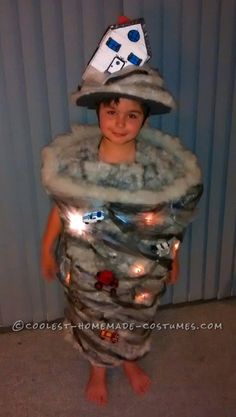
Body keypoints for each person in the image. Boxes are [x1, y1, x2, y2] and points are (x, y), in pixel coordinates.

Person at [41, 18, 203, 406]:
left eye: (132, 114)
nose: (120, 122)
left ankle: (129, 359)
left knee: (136, 318)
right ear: (98, 112)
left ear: (144, 119)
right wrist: (47, 248)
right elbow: (61, 211)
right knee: (95, 318)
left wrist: (172, 258)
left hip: (140, 269)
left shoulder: (157, 174)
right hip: (88, 267)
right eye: (111, 111)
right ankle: (99, 368)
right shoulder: (76, 169)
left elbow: (169, 222)